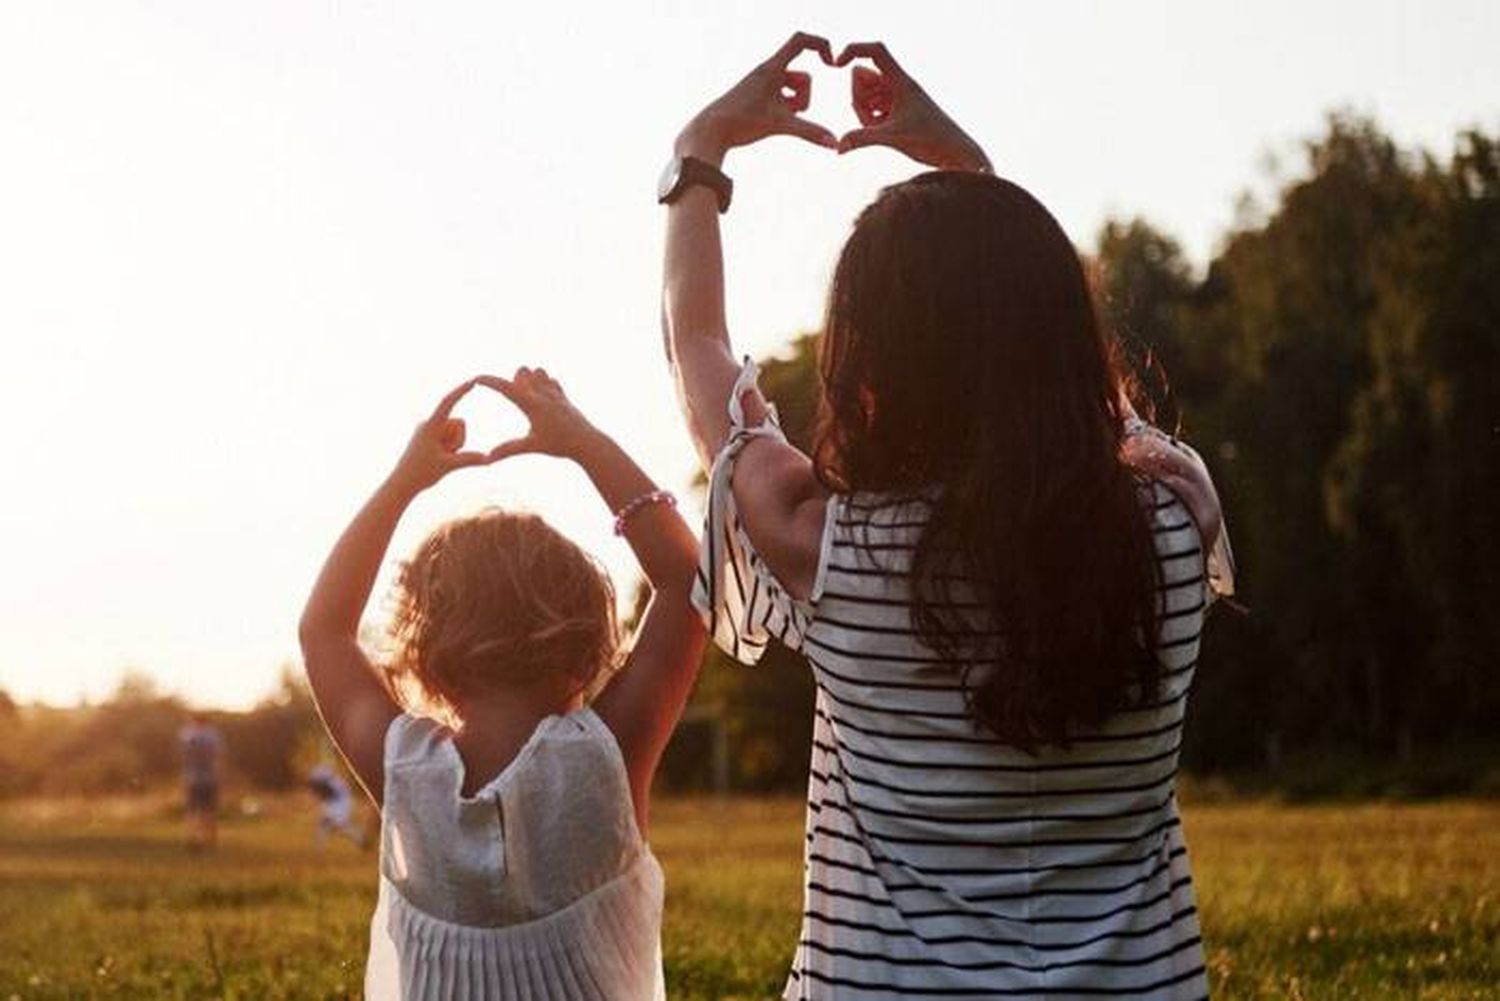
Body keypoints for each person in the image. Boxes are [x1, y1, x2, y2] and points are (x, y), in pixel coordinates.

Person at [662, 33, 1234, 999]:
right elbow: (1096, 404)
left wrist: (700, 154)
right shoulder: (1176, 522)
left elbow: (698, 347)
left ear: (869, 359)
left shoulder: (831, 548)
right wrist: (974, 182)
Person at [298, 369, 704, 1000]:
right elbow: (686, 579)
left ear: (424, 649)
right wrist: (582, 440)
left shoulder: (404, 769)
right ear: (585, 639)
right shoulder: (608, 755)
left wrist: (403, 483)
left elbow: (324, 632)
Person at [179, 712, 221, 851]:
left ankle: (193, 836)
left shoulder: (187, 734)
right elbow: (217, 755)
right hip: (210, 776)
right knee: (209, 809)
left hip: (192, 777)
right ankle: (210, 839)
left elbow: (183, 755)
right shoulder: (212, 735)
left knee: (192, 809)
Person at [306, 761, 367, 848]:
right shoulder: (335, 780)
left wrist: (316, 797)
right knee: (326, 824)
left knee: (338, 826)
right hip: (338, 803)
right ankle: (319, 846)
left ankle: (359, 836)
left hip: (340, 805)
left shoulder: (333, 783)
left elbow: (327, 794)